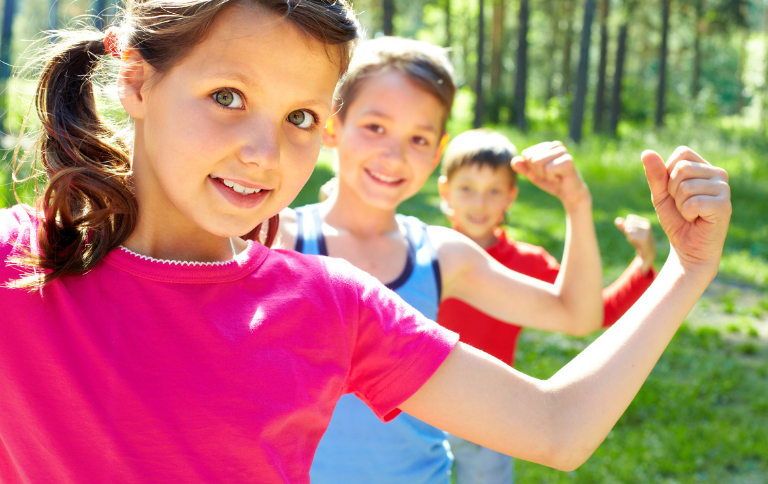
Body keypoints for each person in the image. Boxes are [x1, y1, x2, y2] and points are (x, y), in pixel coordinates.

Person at [0, 6, 731, 484]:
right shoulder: (17, 263)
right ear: (136, 81)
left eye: (301, 116)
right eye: (228, 97)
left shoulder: (329, 303)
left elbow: (558, 427)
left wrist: (686, 271)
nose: (263, 150)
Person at [278, 37, 730, 484]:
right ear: (332, 127)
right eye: (375, 126)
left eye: (418, 138)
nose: (394, 154)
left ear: (438, 151)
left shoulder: (439, 253)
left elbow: (577, 312)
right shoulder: (276, 239)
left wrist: (576, 202)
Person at [436, 128, 657, 484]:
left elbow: (593, 312)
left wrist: (642, 265)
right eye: (467, 189)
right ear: (445, 190)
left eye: (493, 191)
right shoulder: (420, 253)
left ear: (511, 196)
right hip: (416, 410)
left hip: (489, 412)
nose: (479, 203)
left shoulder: (527, 262)